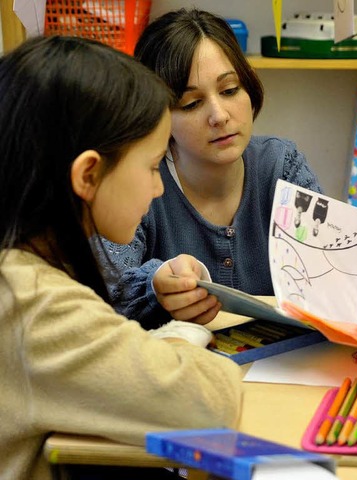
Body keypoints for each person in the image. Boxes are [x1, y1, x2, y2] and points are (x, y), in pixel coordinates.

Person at [0, 35, 243, 480]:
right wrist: (178, 338)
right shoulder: (31, 301)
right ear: (89, 174)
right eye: (152, 167)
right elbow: (210, 402)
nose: (156, 187)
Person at [102, 7, 357, 331]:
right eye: (191, 103)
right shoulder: (143, 183)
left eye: (229, 90)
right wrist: (156, 285)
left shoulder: (283, 165)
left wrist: (347, 269)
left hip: (282, 371)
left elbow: (321, 291)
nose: (219, 115)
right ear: (159, 116)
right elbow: (107, 292)